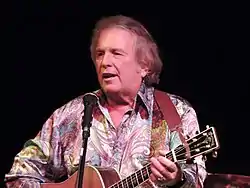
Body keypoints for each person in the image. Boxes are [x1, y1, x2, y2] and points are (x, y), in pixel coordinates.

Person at [5, 15, 207, 187]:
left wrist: (177, 178)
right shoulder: (73, 115)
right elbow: (19, 174)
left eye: (116, 53)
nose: (105, 62)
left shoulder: (176, 112)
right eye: (100, 54)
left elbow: (197, 179)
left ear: (144, 65)